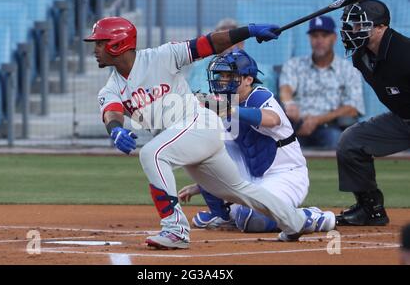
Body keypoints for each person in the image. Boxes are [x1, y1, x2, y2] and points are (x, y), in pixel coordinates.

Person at [84, 16, 333, 249]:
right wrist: (115, 130)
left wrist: (248, 30)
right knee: (238, 190)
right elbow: (112, 112)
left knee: (152, 154)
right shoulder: (111, 88)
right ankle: (295, 222)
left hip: (198, 124)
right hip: (187, 140)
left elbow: (207, 44)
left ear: (118, 43)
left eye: (100, 43)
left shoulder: (161, 56)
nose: (95, 49)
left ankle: (175, 229)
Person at [178, 49, 336, 234]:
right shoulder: (223, 103)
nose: (223, 80)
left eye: (230, 75)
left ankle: (310, 217)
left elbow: (272, 119)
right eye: (221, 75)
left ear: (248, 80)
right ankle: (223, 215)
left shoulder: (260, 96)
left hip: (285, 174)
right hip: (252, 176)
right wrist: (203, 184)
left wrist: (230, 110)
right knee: (203, 147)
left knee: (253, 219)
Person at [336, 0, 410, 226]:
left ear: (381, 27)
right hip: (402, 120)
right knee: (351, 141)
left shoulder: (405, 52)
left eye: (360, 25)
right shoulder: (360, 56)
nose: (353, 31)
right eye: (352, 25)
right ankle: (371, 209)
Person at [279, 16, 365, 150]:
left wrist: (317, 120)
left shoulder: (348, 70)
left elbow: (353, 108)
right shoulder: (294, 64)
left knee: (336, 138)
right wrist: (289, 103)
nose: (319, 40)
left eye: (324, 35)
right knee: (280, 139)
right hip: (297, 126)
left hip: (330, 127)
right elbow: (285, 88)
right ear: (309, 38)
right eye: (314, 36)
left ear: (334, 37)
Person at [186, 18, 244, 93]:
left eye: (231, 41)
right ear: (212, 43)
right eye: (221, 41)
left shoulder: (254, 70)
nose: (226, 45)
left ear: (241, 43)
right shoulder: (199, 67)